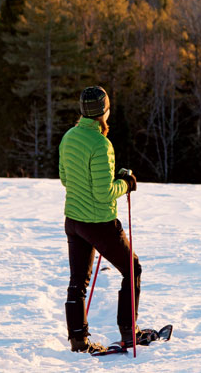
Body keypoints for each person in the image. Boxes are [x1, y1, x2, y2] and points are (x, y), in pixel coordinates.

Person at [59, 85, 141, 353]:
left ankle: (78, 340)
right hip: (100, 223)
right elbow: (105, 193)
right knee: (132, 269)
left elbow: (65, 178)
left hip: (74, 221)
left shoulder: (69, 137)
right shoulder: (101, 144)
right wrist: (125, 184)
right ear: (105, 111)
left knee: (77, 281)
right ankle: (129, 332)